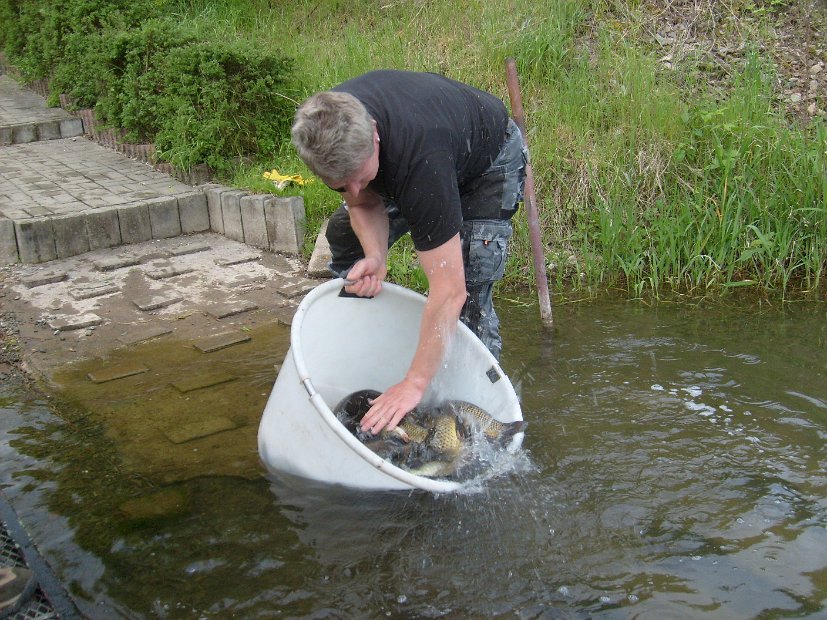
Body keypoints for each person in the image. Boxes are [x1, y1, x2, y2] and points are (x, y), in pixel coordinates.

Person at [292, 70, 527, 436]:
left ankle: (477, 418)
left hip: (487, 163)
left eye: (358, 175)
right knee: (344, 235)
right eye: (339, 184)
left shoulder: (420, 160)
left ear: (374, 133)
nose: (352, 189)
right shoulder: (328, 126)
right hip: (420, 153)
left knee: (469, 297)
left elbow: (450, 290)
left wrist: (413, 384)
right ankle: (369, 344)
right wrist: (376, 255)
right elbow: (362, 202)